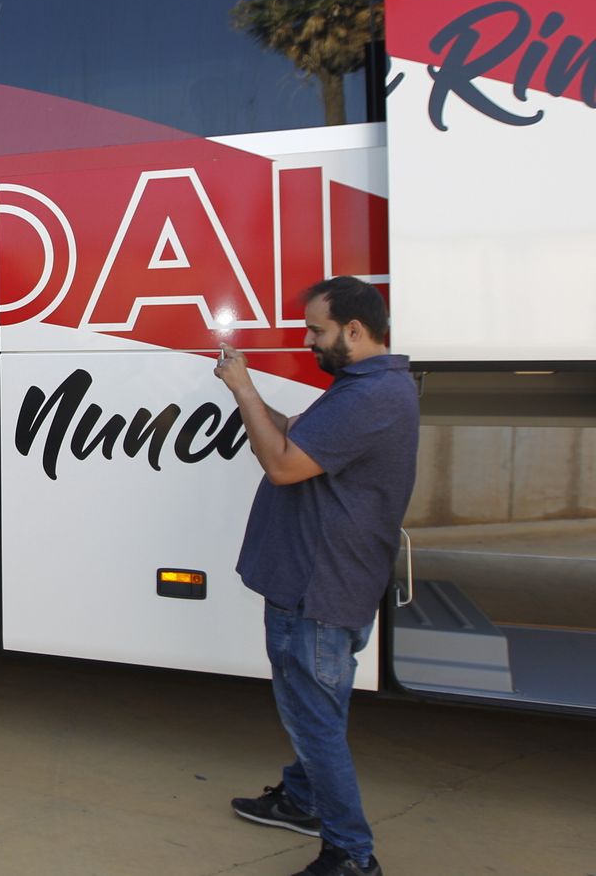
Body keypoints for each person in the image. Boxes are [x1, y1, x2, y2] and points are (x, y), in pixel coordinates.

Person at [213, 277, 419, 876]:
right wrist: (247, 397)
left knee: (315, 723)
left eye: (316, 330)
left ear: (354, 329)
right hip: (327, 585)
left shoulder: (370, 397)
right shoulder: (366, 387)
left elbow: (282, 465)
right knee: (319, 711)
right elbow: (296, 438)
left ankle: (351, 855)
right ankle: (302, 800)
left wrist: (245, 388)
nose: (307, 341)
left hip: (316, 592)